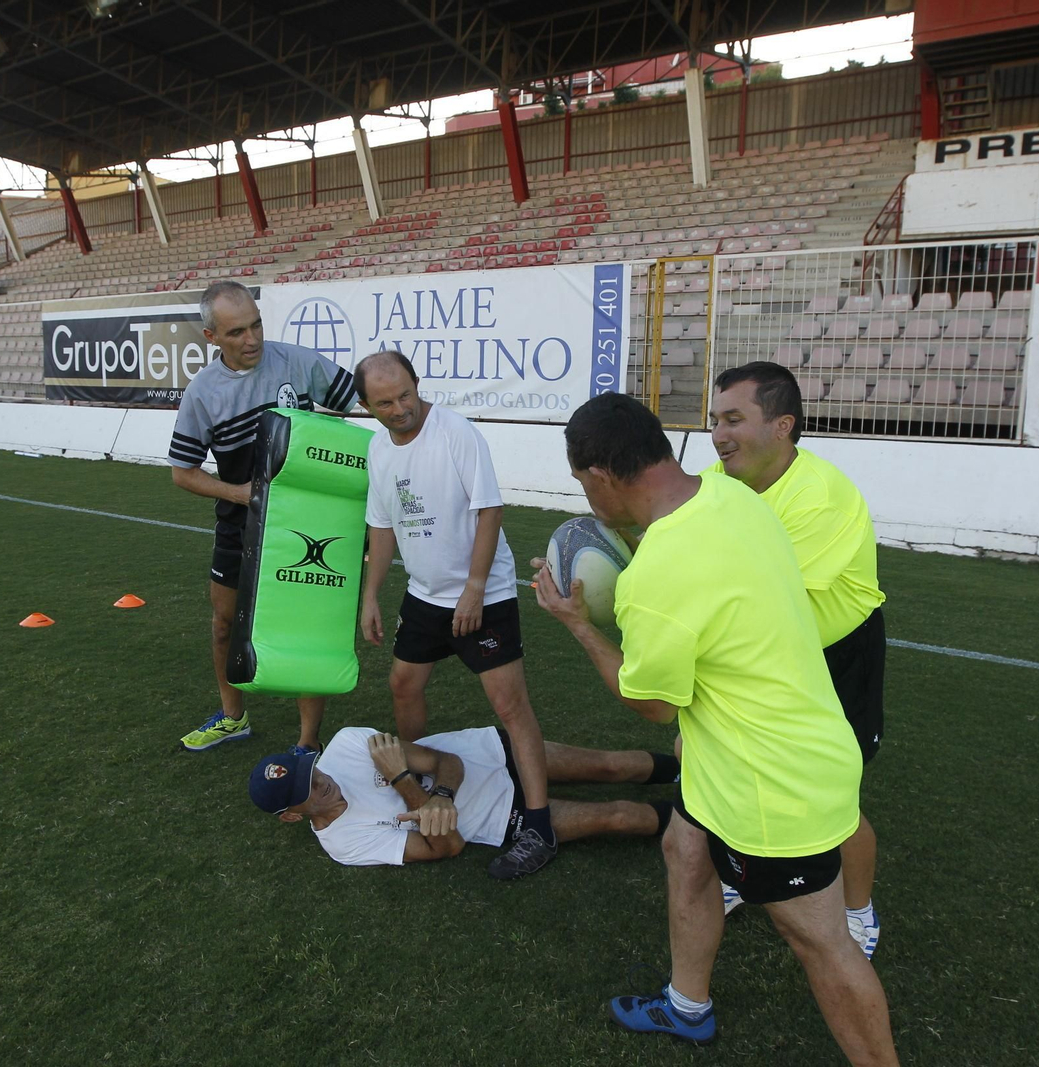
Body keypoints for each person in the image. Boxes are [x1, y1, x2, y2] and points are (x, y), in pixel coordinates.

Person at [532, 393, 897, 1064]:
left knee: (819, 938)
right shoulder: (735, 499)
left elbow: (654, 705)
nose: (587, 500)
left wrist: (580, 626)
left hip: (767, 784)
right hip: (739, 755)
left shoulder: (656, 579)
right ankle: (687, 1005)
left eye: (583, 484)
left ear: (602, 476)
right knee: (685, 849)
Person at [707, 361, 887, 958]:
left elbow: (767, 599)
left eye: (735, 419)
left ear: (783, 425)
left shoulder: (821, 497)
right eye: (715, 420)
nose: (719, 434)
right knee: (734, 768)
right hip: (759, 649)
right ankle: (737, 875)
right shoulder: (718, 481)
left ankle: (857, 909)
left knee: (835, 797)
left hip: (832, 653)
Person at [355, 350, 556, 880]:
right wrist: (370, 595)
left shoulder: (455, 433)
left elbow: (489, 509)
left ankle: (539, 825)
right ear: (366, 406)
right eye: (385, 402)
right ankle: (418, 776)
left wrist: (473, 587)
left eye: (405, 394)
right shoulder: (378, 449)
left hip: (482, 595)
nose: (400, 408)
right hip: (424, 595)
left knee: (510, 707)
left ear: (416, 384)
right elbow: (380, 525)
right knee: (403, 684)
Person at [167, 280, 359, 754]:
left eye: (256, 325)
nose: (251, 339)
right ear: (211, 337)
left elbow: (363, 402)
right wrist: (239, 493)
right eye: (236, 333)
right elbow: (183, 472)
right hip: (240, 524)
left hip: (309, 524)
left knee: (307, 628)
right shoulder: (203, 393)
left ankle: (308, 742)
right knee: (223, 624)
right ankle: (233, 718)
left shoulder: (298, 361)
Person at [246, 726, 680, 866]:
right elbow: (448, 846)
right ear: (291, 817)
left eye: (312, 770)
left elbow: (445, 761)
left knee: (610, 766)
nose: (321, 780)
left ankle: (690, 765)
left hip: (489, 751)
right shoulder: (344, 843)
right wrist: (402, 781)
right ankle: (703, 821)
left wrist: (443, 797)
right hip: (499, 818)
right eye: (308, 789)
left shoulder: (344, 745)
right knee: (620, 817)